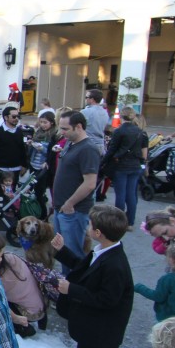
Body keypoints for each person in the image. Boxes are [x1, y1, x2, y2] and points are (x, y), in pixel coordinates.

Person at [52, 205, 135, 348]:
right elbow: (84, 269)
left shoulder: (115, 264)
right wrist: (63, 252)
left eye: (90, 225)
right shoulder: (103, 251)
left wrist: (72, 290)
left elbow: (108, 300)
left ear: (98, 232)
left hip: (104, 329)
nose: (87, 227)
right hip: (93, 326)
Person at [52, 111, 101, 272]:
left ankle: (75, 287)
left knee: (72, 253)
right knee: (63, 251)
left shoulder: (88, 149)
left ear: (78, 127)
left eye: (65, 129)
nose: (62, 133)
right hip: (62, 208)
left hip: (73, 211)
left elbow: (90, 183)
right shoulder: (70, 143)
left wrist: (69, 203)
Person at [102, 106, 147, 229]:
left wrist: (103, 162)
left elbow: (112, 150)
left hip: (121, 165)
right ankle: (130, 221)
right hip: (135, 165)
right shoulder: (139, 131)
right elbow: (143, 151)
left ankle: (119, 221)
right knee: (131, 194)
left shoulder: (119, 131)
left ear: (121, 117)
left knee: (120, 194)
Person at [0, 106, 27, 186]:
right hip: (2, 168)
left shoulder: (20, 132)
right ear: (6, 117)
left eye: (18, 116)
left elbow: (23, 149)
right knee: (1, 192)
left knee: (13, 192)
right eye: (14, 116)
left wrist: (25, 165)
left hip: (16, 168)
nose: (16, 119)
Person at [83, 89, 111, 154]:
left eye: (86, 97)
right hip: (101, 145)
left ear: (92, 99)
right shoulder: (105, 112)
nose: (85, 99)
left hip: (88, 145)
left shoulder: (85, 112)